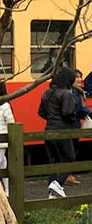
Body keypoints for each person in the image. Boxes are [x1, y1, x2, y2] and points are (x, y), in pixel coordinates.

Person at [38, 66, 78, 198]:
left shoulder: (47, 93)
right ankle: (58, 184)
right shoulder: (67, 93)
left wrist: (51, 119)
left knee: (54, 160)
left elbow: (41, 112)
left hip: (48, 129)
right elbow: (68, 113)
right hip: (62, 130)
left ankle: (52, 193)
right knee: (69, 158)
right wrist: (72, 119)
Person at [66, 69, 90, 185]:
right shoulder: (74, 92)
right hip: (72, 126)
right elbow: (76, 108)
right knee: (71, 150)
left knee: (71, 149)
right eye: (77, 77)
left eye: (80, 76)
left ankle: (67, 175)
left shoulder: (74, 90)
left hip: (72, 125)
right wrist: (87, 111)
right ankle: (68, 176)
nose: (80, 79)